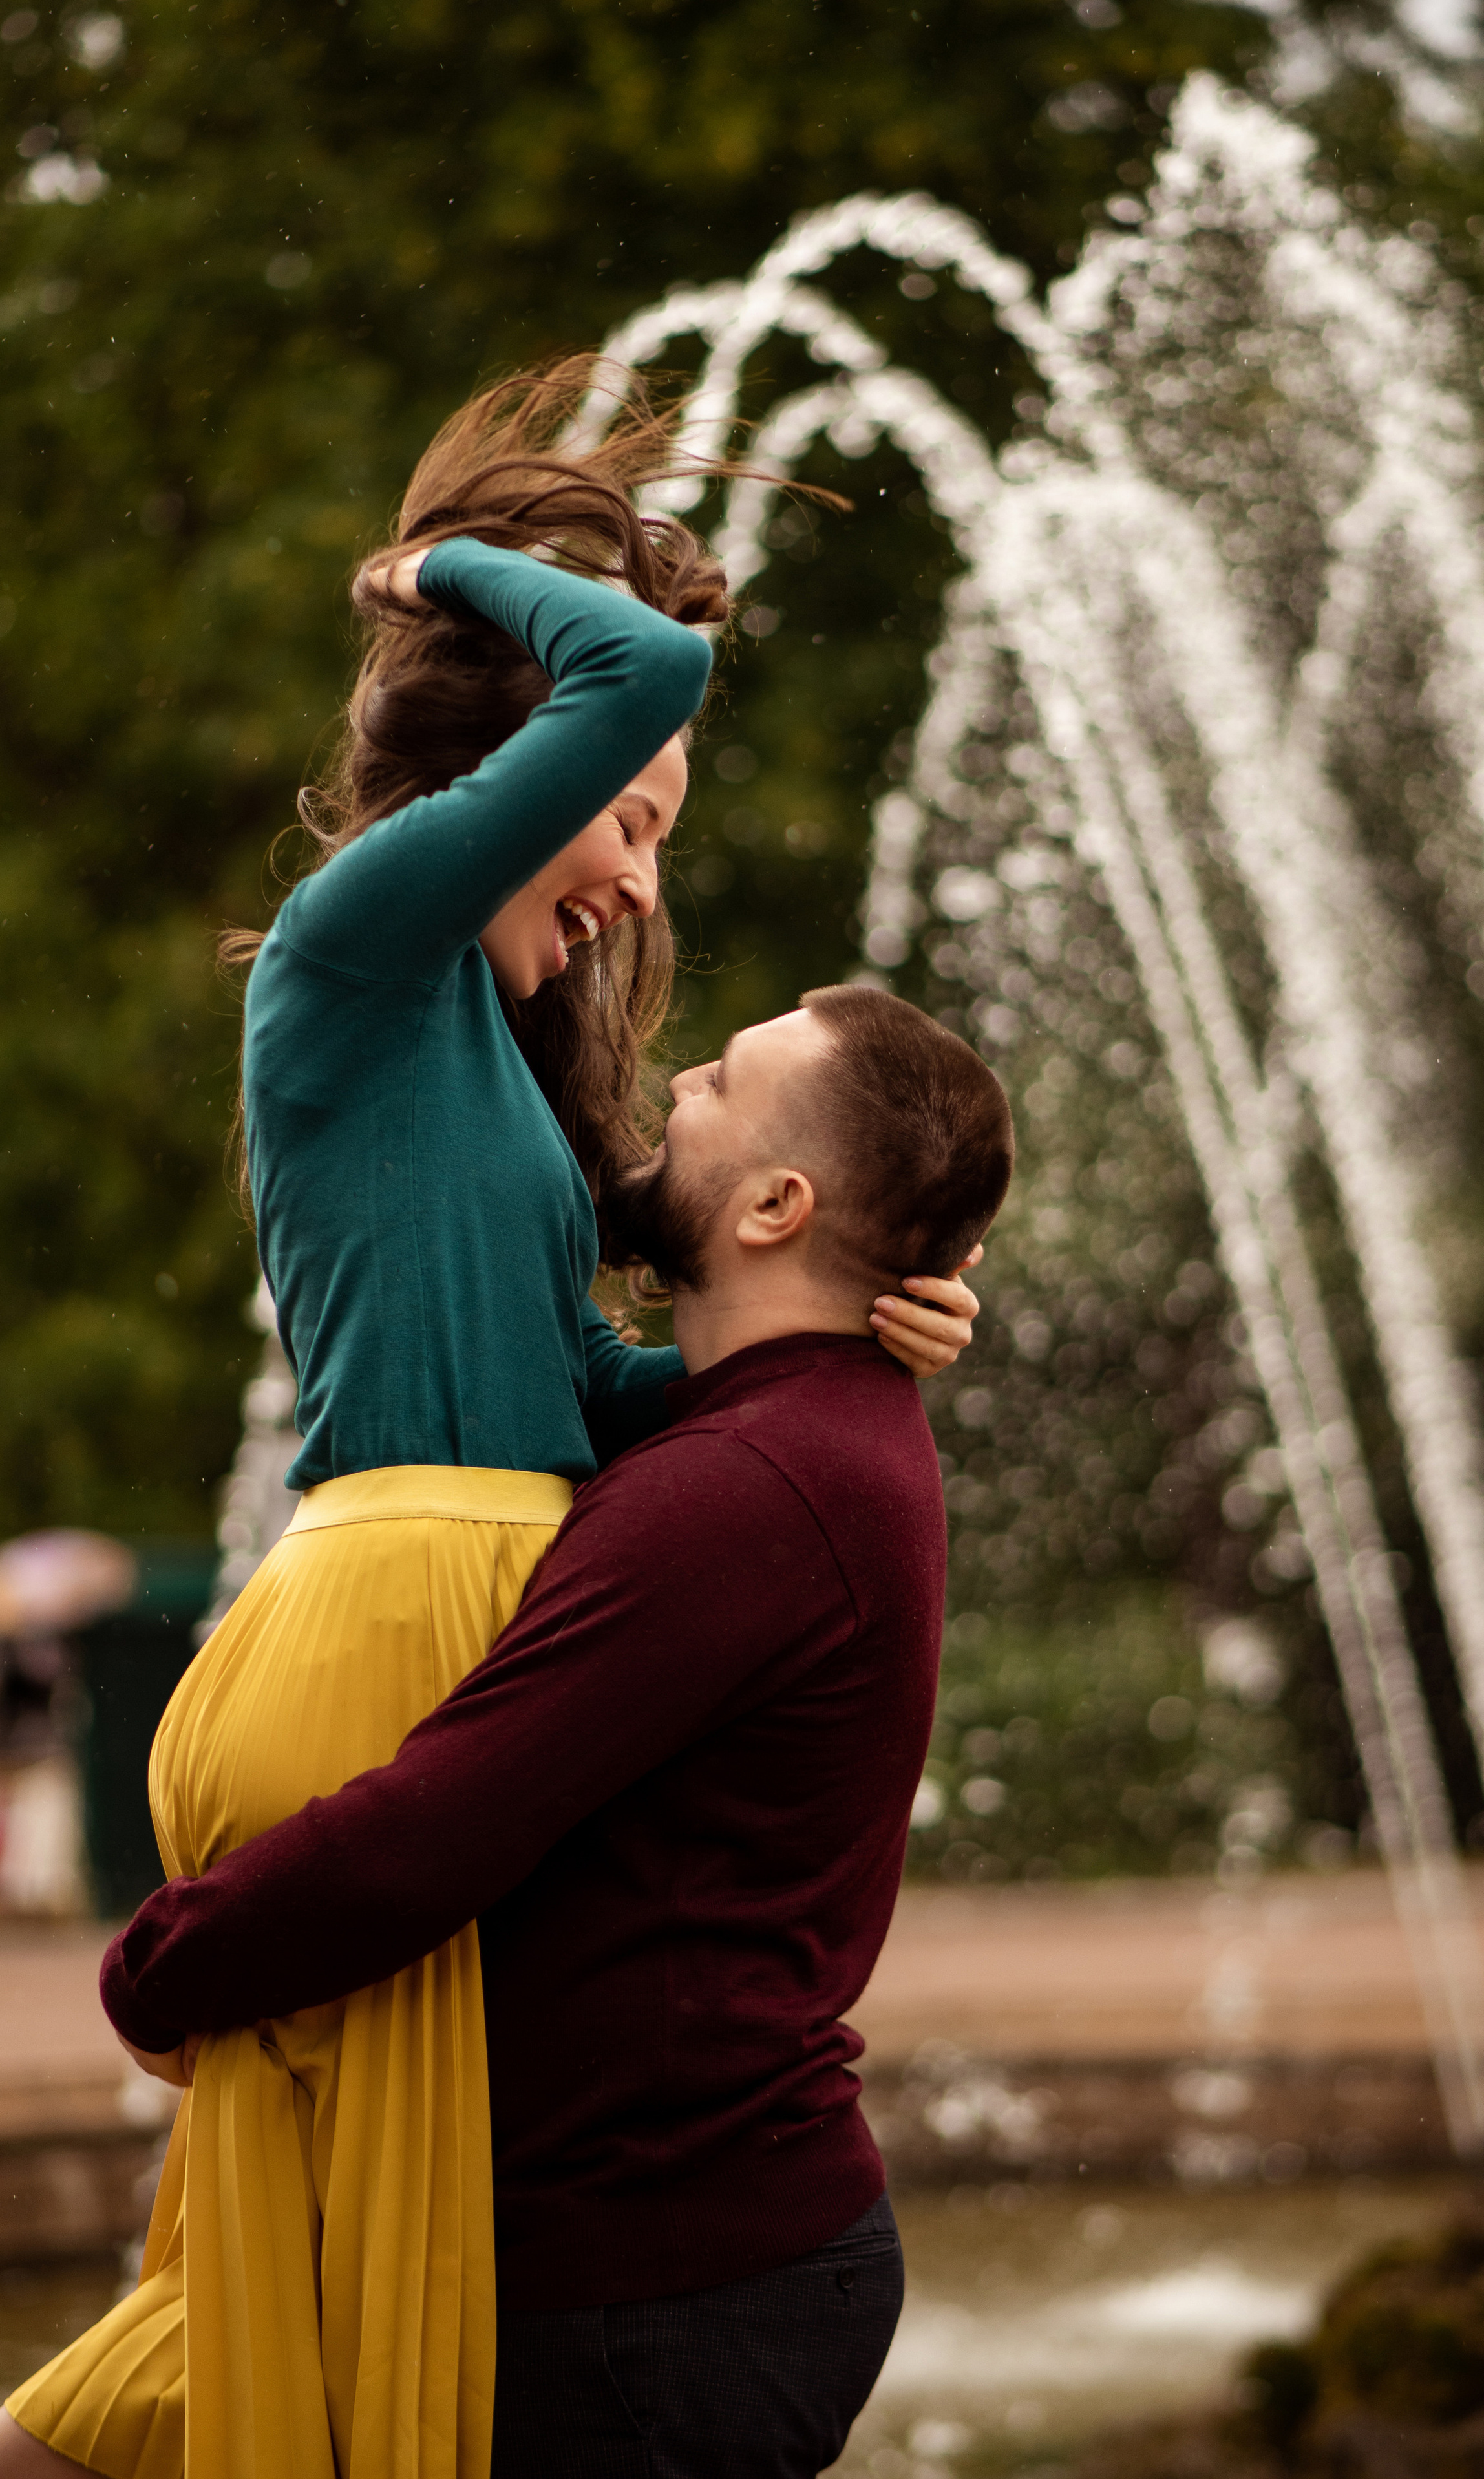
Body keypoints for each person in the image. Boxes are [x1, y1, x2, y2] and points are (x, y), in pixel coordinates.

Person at [0, 368, 975, 2479]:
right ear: (517, 774)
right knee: (367, 2320)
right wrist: (437, 571)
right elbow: (645, 655)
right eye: (630, 812)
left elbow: (582, 1389)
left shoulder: (481, 1063)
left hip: (435, 1590)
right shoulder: (362, 941)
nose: (642, 884)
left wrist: (823, 1347)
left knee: (287, 2289)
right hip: (394, 1611)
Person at [96, 984, 1015, 2479]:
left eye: (718, 1081)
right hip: (666, 2256)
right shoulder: (787, 1434)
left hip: (662, 2286)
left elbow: (447, 1818)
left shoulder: (750, 1487)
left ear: (778, 1205)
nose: (677, 1088)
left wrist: (164, 1963)